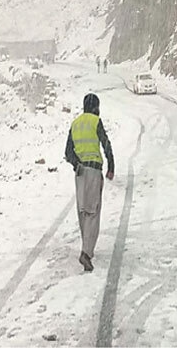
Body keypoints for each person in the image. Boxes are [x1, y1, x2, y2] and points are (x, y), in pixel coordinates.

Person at [64, 94, 114, 272]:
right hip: (93, 170)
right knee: (93, 212)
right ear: (96, 107)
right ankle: (86, 253)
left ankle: (86, 246)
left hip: (79, 173)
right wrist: (111, 166)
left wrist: (76, 164)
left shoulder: (75, 123)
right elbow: (106, 144)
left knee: (83, 211)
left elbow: (68, 151)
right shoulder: (95, 121)